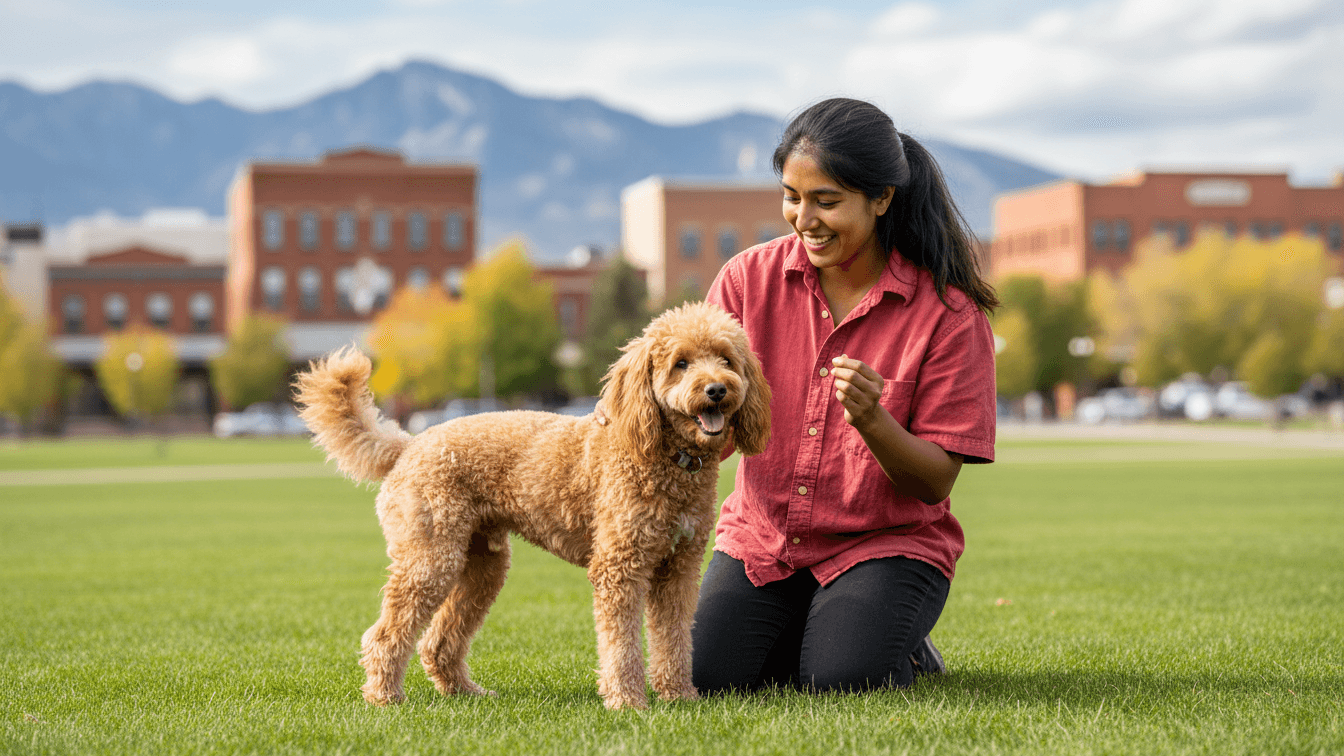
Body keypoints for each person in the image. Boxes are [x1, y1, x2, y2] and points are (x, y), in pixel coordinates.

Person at [690, 97, 1000, 694]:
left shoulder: (949, 313)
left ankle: (891, 641)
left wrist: (873, 419)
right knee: (707, 677)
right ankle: (823, 627)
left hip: (886, 544)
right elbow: (715, 429)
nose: (804, 218)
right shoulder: (744, 281)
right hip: (764, 540)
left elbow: (934, 482)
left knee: (842, 679)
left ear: (882, 198)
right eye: (792, 196)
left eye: (827, 202)